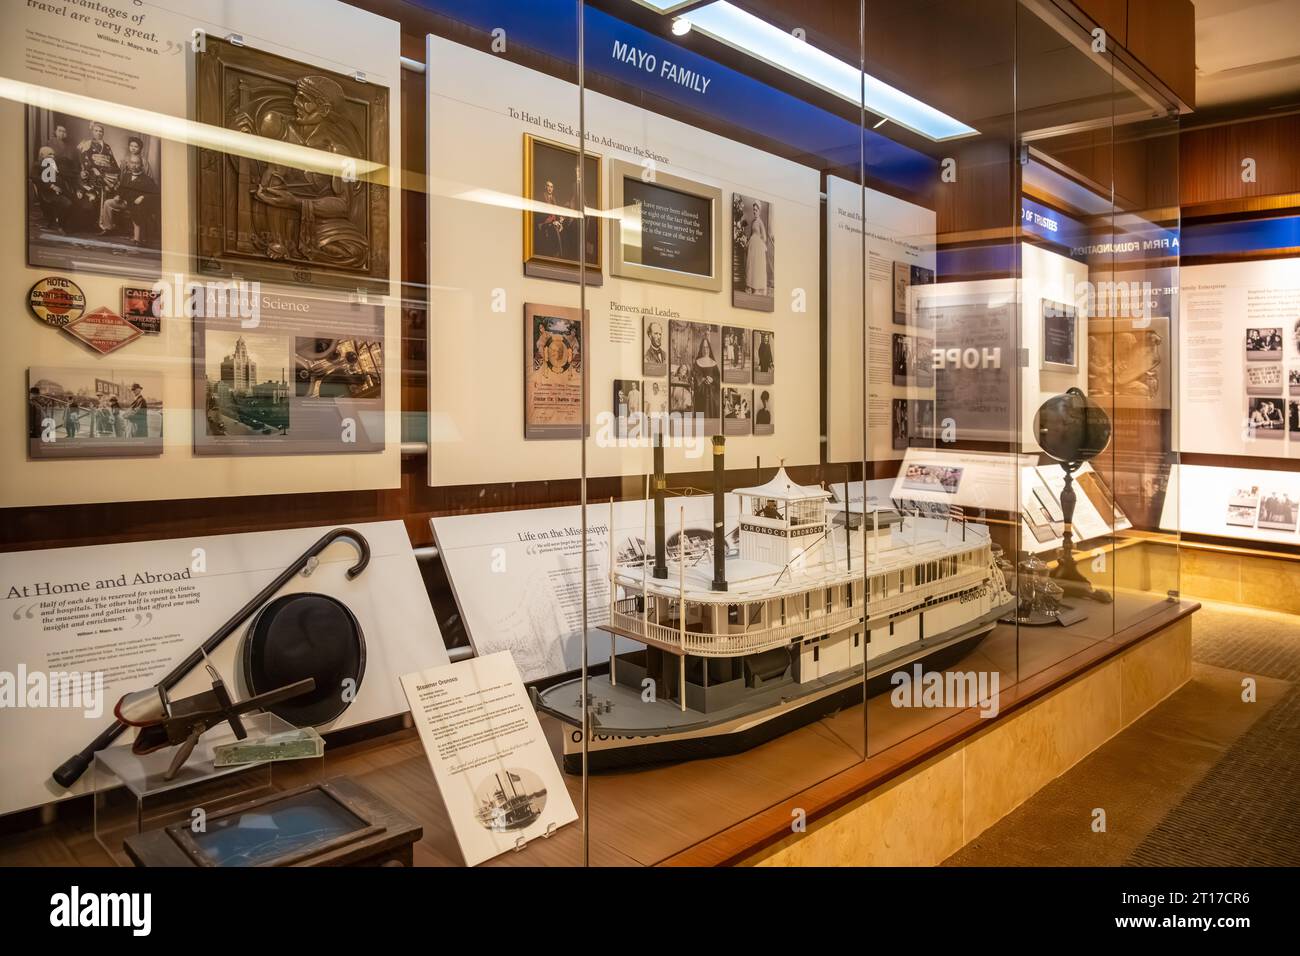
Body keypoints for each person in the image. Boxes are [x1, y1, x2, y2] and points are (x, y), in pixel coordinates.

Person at [233, 75, 369, 267]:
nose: (296, 103)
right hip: (275, 214)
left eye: (305, 100)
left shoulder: (337, 151)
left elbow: (342, 205)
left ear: (324, 110)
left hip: (316, 220)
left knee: (355, 253)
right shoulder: (277, 125)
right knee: (274, 181)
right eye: (297, 97)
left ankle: (300, 248)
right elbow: (264, 168)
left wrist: (297, 203)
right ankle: (278, 241)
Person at [30, 146, 72, 232]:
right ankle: (60, 225)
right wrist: (52, 186)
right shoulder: (37, 165)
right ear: (42, 155)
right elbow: (35, 178)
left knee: (76, 200)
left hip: (60, 190)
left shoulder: (53, 164)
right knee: (66, 203)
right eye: (50, 154)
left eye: (53, 154)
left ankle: (65, 225)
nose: (53, 156)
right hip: (47, 192)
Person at [692, 336, 720, 419]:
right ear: (701, 349)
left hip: (713, 396)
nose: (705, 349)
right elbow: (694, 374)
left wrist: (712, 379)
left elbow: (718, 379)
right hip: (701, 395)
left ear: (709, 348)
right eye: (703, 347)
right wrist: (702, 379)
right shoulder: (697, 362)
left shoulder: (713, 363)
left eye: (707, 347)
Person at [745, 201, 769, 295]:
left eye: (756, 210)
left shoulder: (760, 222)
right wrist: (748, 242)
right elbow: (751, 234)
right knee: (750, 266)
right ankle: (750, 286)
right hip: (752, 246)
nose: (754, 212)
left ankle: (757, 288)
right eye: (753, 210)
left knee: (756, 267)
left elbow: (764, 237)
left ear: (759, 211)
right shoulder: (753, 222)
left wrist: (759, 244)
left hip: (757, 247)